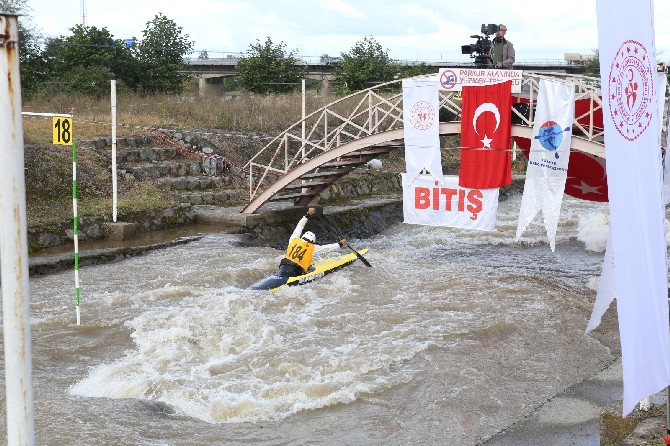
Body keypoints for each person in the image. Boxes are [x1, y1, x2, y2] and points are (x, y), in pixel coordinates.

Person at [277, 208, 347, 277]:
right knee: (310, 269)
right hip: (294, 271)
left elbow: (299, 226)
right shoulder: (312, 247)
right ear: (312, 242)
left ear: (302, 237)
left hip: (283, 265)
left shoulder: (293, 239)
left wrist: (308, 214)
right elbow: (327, 248)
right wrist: (340, 244)